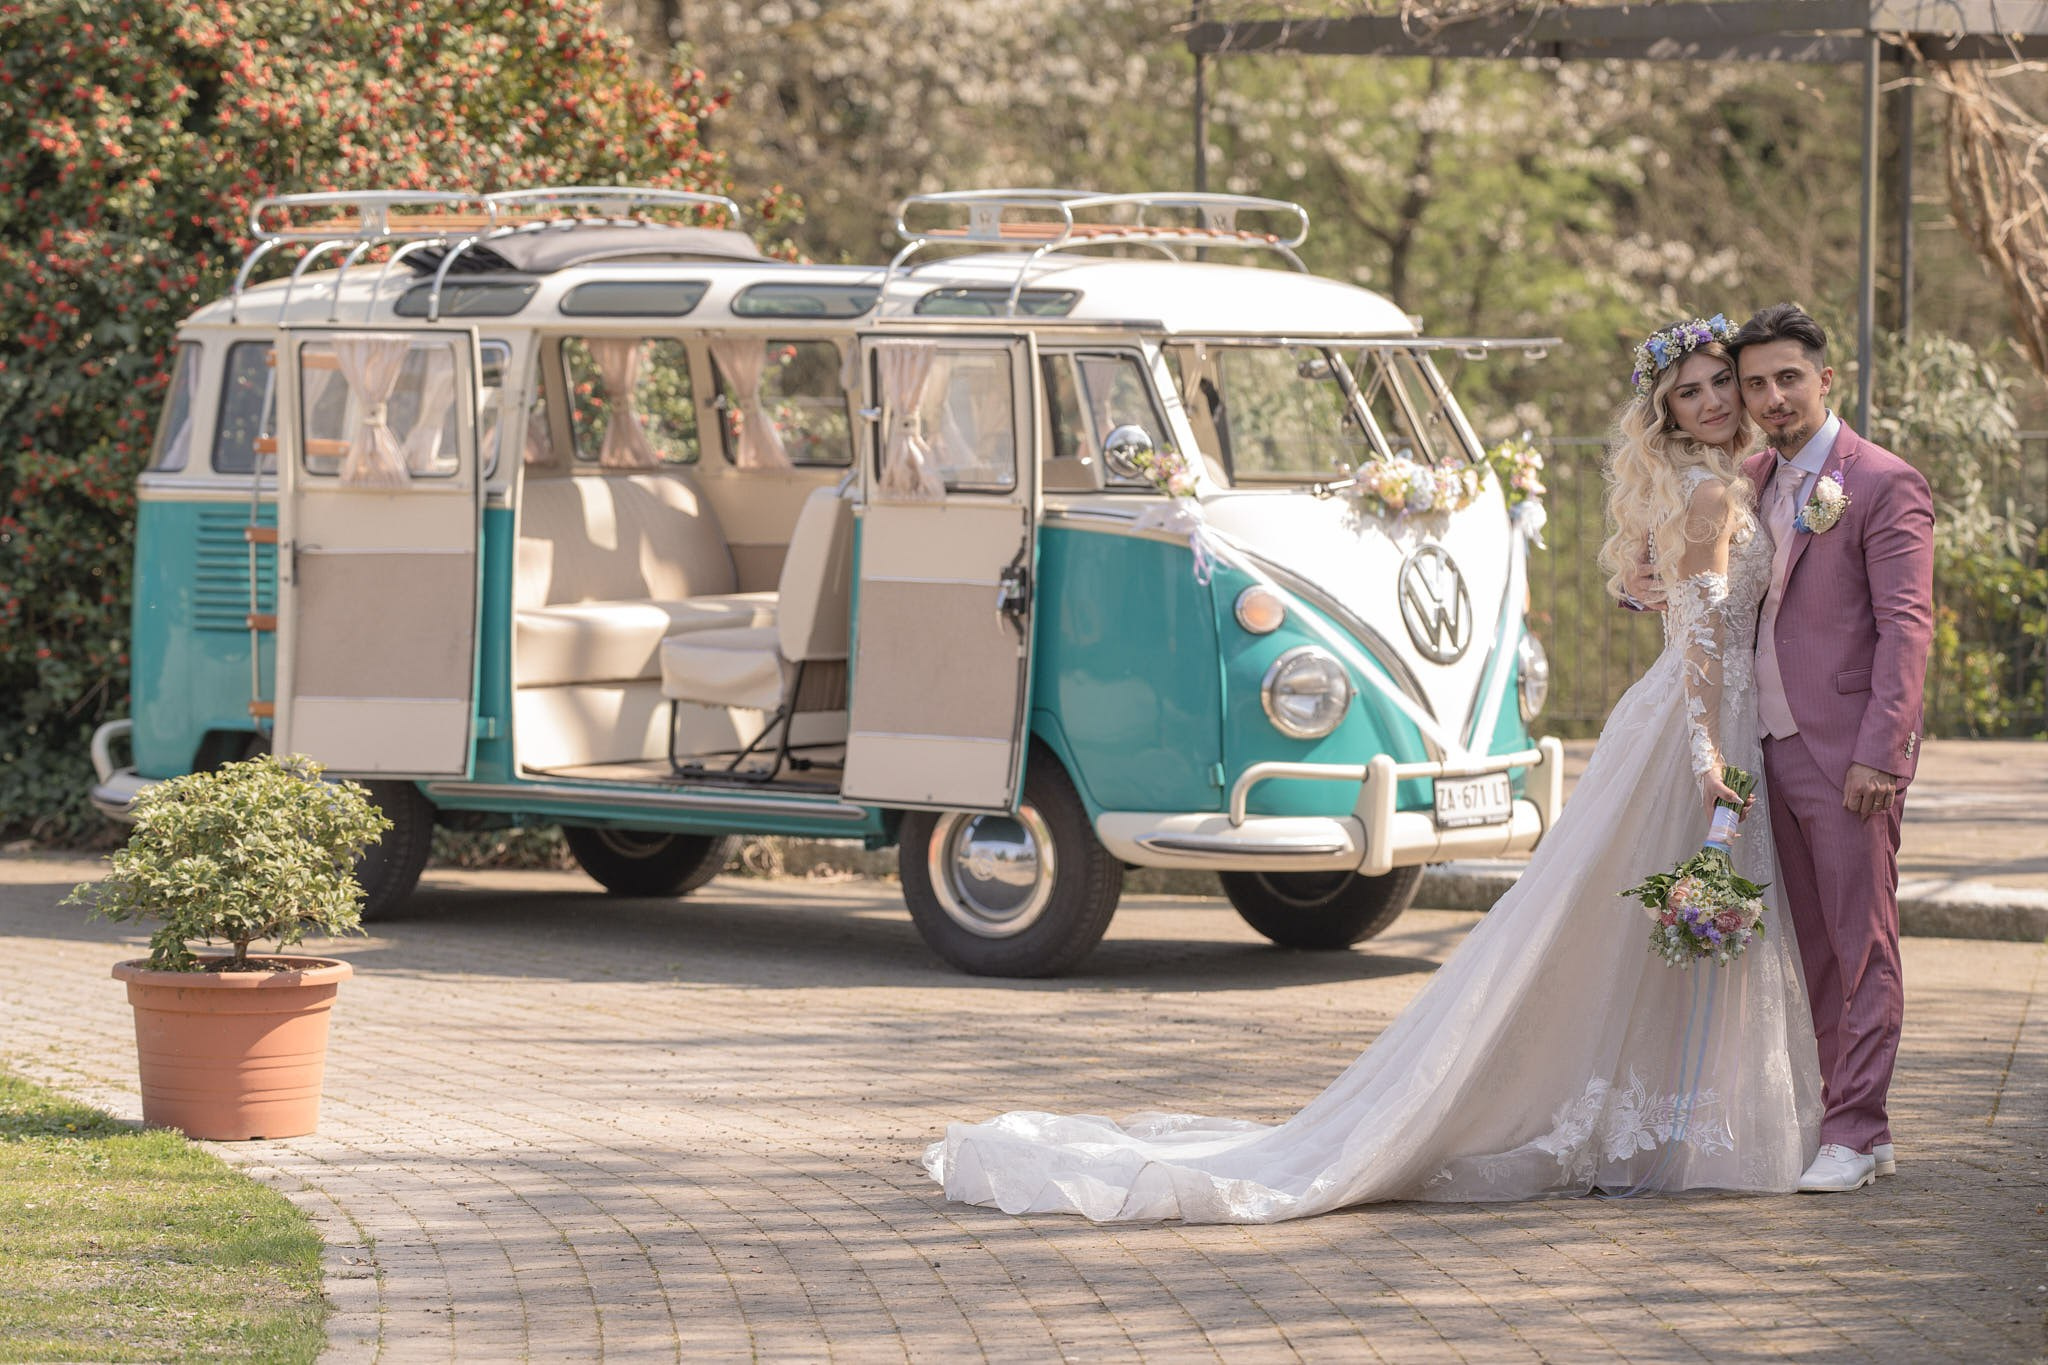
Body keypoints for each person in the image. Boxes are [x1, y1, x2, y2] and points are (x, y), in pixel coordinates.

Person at [924, 319, 1824, 1222]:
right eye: (1692, 392)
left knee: (1636, 918)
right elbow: (1704, 632)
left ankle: (1668, 1111)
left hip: (1704, 711)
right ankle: (1652, 1115)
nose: (1713, 403)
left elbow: (1663, 594)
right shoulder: (1709, 496)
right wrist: (1708, 747)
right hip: (1698, 718)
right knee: (1643, 911)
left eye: (1722, 385)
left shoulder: (1728, 485)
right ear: (1665, 411)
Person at [1731, 304, 1934, 1194]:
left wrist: (1882, 753)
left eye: (1787, 378)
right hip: (1768, 743)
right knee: (1811, 944)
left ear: (1826, 380)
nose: (1773, 397)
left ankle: (1854, 1129)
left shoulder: (1884, 482)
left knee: (1863, 943)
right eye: (1756, 384)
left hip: (1849, 752)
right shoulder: (1748, 479)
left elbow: (1906, 628)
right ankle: (1851, 1117)